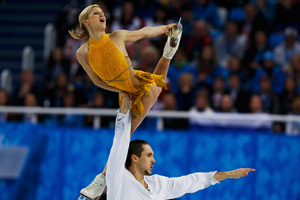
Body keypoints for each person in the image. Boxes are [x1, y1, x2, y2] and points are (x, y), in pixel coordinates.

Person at [70, 4, 182, 200]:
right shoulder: (83, 52)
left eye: (103, 13)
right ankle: (100, 180)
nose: (102, 15)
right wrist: (119, 90)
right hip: (125, 94)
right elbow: (96, 80)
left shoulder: (117, 36)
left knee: (154, 88)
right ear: (85, 22)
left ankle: (169, 51)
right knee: (123, 138)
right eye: (96, 13)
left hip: (138, 85)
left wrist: (164, 28)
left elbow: (143, 32)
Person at [105, 91, 255, 200]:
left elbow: (190, 182)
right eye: (149, 155)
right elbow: (120, 143)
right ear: (134, 158)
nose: (154, 160)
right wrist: (125, 106)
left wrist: (227, 175)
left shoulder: (157, 184)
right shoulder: (119, 178)